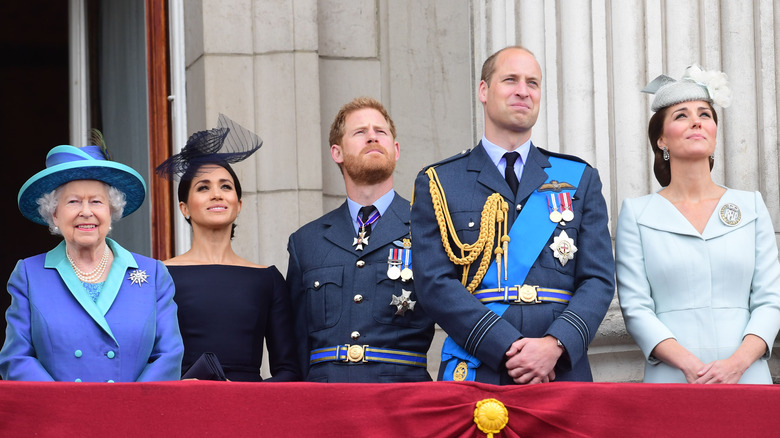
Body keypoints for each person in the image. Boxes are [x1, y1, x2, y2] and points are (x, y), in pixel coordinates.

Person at [411, 46, 615, 385]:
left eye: (532, 83)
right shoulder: (440, 181)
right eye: (510, 80)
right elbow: (434, 283)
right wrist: (508, 345)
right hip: (481, 364)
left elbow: (598, 280)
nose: (523, 91)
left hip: (559, 369)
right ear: (483, 90)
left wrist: (555, 345)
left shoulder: (580, 177)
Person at [616, 66, 780, 384]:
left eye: (705, 114)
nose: (696, 121)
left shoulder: (751, 207)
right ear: (661, 139)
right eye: (681, 115)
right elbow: (636, 307)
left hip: (746, 376)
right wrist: (691, 366)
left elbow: (770, 299)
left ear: (714, 133)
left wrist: (736, 364)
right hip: (674, 377)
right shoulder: (637, 214)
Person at [0, 140, 183, 382]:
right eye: (73, 201)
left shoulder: (154, 273)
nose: (86, 212)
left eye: (96, 201)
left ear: (111, 211)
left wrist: (130, 406)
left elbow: (168, 356)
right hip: (59, 415)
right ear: (54, 214)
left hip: (131, 414)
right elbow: (16, 359)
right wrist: (66, 407)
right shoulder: (29, 275)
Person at [287, 97, 435, 383]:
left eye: (381, 132)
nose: (372, 137)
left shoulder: (429, 229)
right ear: (337, 152)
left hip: (402, 400)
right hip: (326, 403)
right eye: (360, 132)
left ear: (396, 149)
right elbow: (295, 345)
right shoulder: (306, 242)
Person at [156, 114, 299, 382]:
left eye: (226, 186)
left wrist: (244, 397)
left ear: (239, 204)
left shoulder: (268, 279)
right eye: (203, 187)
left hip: (248, 413)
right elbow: (147, 360)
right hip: (179, 409)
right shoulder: (160, 275)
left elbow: (289, 370)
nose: (217, 194)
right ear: (184, 208)